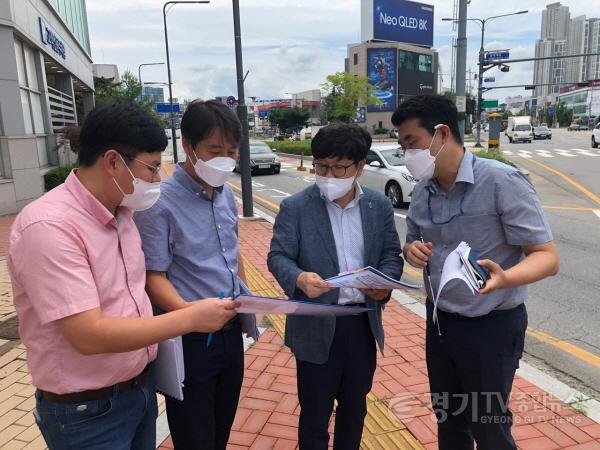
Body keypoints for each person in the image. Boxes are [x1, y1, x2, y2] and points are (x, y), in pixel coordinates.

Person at [7, 102, 238, 450]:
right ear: (113, 162)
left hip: (137, 392)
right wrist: (190, 317)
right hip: (87, 411)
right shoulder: (50, 226)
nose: (157, 179)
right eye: (150, 168)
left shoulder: (123, 214)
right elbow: (89, 334)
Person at [392, 94, 559, 450]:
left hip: (491, 328)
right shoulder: (423, 192)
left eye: (412, 143)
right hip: (440, 324)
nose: (407, 154)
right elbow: (413, 242)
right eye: (402, 145)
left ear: (441, 134)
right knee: (449, 423)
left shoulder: (501, 181)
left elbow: (546, 256)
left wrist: (506, 278)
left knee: (489, 427)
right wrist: (412, 251)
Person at [267, 123, 402, 450]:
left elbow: (391, 255)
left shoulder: (378, 206)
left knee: (355, 409)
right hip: (315, 322)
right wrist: (298, 278)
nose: (328, 174)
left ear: (359, 167)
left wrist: (384, 284)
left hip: (360, 324)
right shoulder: (296, 207)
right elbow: (278, 256)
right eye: (321, 165)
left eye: (338, 167)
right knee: (314, 413)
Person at [134, 99, 258, 450]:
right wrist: (192, 316)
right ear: (188, 146)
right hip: (189, 339)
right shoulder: (159, 202)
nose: (225, 159)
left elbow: (232, 253)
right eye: (215, 149)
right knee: (194, 437)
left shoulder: (224, 194)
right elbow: (152, 276)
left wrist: (245, 298)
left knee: (221, 430)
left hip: (231, 332)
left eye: (232, 151)